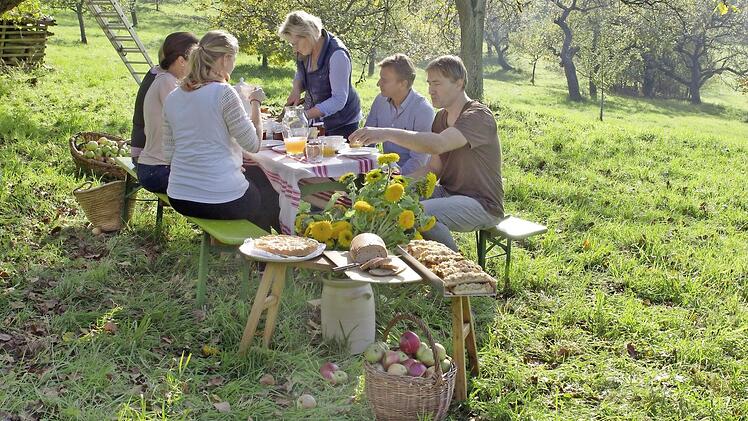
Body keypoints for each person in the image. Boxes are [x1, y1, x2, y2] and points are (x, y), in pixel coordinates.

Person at [349, 55, 503, 251]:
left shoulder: (478, 116)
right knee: (393, 204)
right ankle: (401, 259)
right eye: (429, 83)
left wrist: (386, 133)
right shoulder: (441, 118)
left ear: (459, 83)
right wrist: (398, 185)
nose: (431, 90)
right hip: (448, 193)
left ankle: (457, 268)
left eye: (437, 83)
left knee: (421, 213)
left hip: (482, 204)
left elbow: (438, 144)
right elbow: (432, 168)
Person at [162, 30, 280, 232]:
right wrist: (255, 103)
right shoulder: (223, 93)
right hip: (220, 199)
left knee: (254, 179)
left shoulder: (173, 97)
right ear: (226, 59)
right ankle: (273, 255)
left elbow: (169, 154)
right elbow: (253, 144)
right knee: (269, 192)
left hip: (179, 196)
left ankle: (254, 254)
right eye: (234, 58)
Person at [277, 10, 361, 138]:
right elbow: (300, 73)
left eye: (295, 44)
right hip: (318, 122)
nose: (294, 49)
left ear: (307, 35)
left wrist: (305, 115)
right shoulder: (306, 49)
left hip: (342, 124)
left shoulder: (337, 54)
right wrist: (296, 89)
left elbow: (338, 100)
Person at [136, 32, 199, 193]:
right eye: (195, 60)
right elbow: (190, 124)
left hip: (157, 167)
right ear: (181, 61)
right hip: (157, 170)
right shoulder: (167, 82)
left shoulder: (166, 79)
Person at [364, 53, 435, 175]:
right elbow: (367, 142)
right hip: (385, 173)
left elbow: (419, 161)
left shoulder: (423, 110)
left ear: (403, 83)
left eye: (384, 80)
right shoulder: (380, 101)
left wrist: (396, 178)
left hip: (412, 179)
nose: (378, 83)